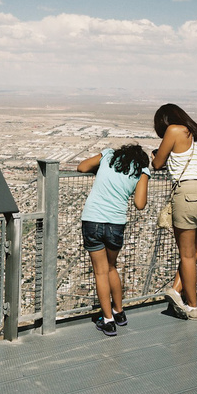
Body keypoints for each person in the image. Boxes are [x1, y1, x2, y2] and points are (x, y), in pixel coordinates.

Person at [151, 104, 197, 320]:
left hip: (189, 193)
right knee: (194, 252)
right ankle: (175, 290)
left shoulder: (173, 130)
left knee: (186, 254)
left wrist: (155, 154)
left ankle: (192, 306)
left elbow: (157, 164)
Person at [77, 143, 151, 336]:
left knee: (100, 272)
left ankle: (107, 320)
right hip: (115, 223)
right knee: (111, 267)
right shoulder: (142, 169)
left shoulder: (108, 155)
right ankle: (119, 312)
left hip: (92, 219)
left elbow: (82, 167)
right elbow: (140, 204)